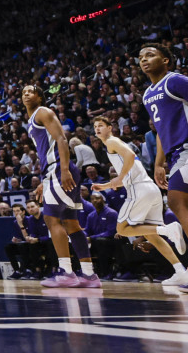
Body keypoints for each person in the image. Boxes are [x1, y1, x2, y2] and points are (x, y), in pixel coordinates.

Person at [91, 114, 187, 284]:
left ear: (110, 128)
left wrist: (119, 178)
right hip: (149, 189)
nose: (97, 128)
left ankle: (167, 230)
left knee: (122, 229)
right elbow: (130, 167)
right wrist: (105, 186)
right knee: (150, 235)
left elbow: (130, 156)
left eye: (101, 125)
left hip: (139, 190)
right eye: (95, 126)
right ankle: (180, 271)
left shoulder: (112, 141)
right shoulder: (113, 144)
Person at [22, 83, 99, 288]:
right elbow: (46, 150)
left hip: (59, 169)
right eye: (23, 93)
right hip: (53, 172)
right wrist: (44, 181)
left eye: (31, 91)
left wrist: (63, 170)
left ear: (40, 97)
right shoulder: (31, 120)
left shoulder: (43, 112)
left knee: (51, 218)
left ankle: (67, 272)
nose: (26, 94)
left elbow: (61, 139)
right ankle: (89, 275)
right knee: (71, 223)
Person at [139, 43, 188, 292]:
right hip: (175, 154)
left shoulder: (176, 81)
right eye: (140, 57)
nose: (144, 59)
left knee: (177, 201)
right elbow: (159, 130)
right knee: (179, 203)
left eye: (150, 55)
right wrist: (159, 163)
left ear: (166, 60)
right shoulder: (147, 94)